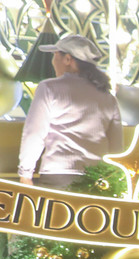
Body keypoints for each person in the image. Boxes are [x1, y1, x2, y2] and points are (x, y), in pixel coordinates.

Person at [17, 33, 122, 189]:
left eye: (55, 56)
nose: (53, 62)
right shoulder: (108, 97)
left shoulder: (49, 88)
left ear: (68, 59)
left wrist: (25, 173)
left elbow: (34, 133)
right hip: (98, 180)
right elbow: (116, 145)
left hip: (58, 175)